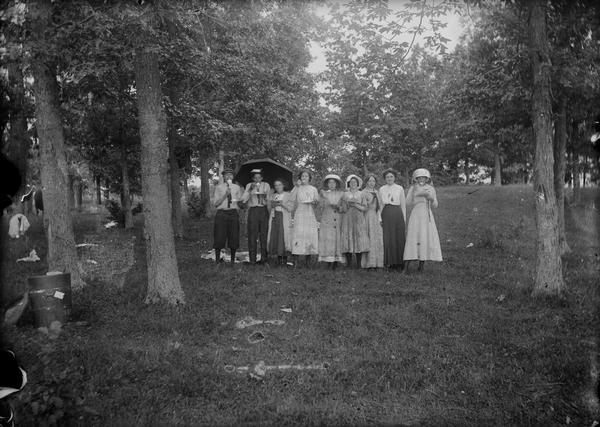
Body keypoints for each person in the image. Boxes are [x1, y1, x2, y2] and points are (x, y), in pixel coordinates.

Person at [404, 168, 442, 272]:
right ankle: (406, 266)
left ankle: (421, 266)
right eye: (419, 177)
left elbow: (435, 205)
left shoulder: (431, 188)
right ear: (416, 178)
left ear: (427, 179)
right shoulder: (413, 188)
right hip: (416, 214)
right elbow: (407, 203)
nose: (421, 179)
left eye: (423, 177)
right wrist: (413, 193)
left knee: (424, 237)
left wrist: (430, 198)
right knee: (413, 237)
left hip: (426, 214)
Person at [378, 169, 406, 271]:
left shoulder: (399, 188)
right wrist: (379, 217)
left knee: (399, 237)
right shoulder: (382, 189)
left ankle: (400, 262)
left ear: (394, 177)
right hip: (386, 213)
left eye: (391, 176)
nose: (389, 178)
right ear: (385, 179)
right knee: (388, 238)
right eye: (387, 177)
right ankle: (390, 262)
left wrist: (404, 219)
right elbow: (380, 204)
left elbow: (403, 205)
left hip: (397, 214)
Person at [212, 168, 242, 264]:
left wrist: (240, 202)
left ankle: (232, 260)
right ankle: (217, 260)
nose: (229, 177)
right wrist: (226, 195)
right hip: (222, 213)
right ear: (223, 177)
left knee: (234, 236)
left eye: (231, 175)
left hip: (233, 213)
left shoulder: (237, 188)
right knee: (219, 235)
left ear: (233, 177)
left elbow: (240, 203)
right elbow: (216, 204)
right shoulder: (219, 187)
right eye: (226, 175)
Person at [290, 170, 319, 266]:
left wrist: (314, 202)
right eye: (302, 176)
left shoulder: (313, 189)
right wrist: (296, 186)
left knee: (309, 235)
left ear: (309, 178)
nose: (304, 178)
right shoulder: (297, 188)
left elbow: (316, 203)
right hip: (300, 213)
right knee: (298, 234)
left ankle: (308, 261)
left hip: (310, 214)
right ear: (300, 178)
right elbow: (291, 198)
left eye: (306, 176)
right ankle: (296, 261)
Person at [241, 169, 271, 264]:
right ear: (253, 178)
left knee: (264, 234)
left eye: (259, 177)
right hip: (253, 210)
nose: (257, 179)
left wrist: (265, 196)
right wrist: (250, 190)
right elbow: (244, 200)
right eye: (255, 177)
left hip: (263, 210)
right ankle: (252, 260)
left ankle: (264, 259)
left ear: (262, 178)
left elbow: (269, 198)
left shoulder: (266, 185)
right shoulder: (249, 185)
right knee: (252, 235)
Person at [340, 174, 369, 268]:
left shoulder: (361, 194)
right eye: (351, 182)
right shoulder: (345, 194)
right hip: (347, 218)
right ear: (349, 184)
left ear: (358, 184)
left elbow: (365, 208)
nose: (353, 183)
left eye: (355, 182)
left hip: (359, 218)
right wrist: (347, 204)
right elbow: (343, 208)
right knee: (348, 237)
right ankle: (348, 263)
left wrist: (356, 204)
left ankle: (359, 264)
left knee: (358, 238)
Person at [318, 174, 345, 269]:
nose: (332, 184)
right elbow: (320, 207)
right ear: (327, 184)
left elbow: (345, 208)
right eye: (330, 182)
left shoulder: (341, 194)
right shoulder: (324, 193)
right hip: (326, 219)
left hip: (337, 218)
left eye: (334, 182)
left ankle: (335, 262)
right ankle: (328, 261)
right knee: (327, 239)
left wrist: (339, 207)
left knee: (336, 239)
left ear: (337, 184)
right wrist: (322, 199)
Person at [267, 179, 293, 266]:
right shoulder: (273, 195)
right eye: (276, 185)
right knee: (275, 236)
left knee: (283, 236)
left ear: (283, 185)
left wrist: (282, 204)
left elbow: (290, 209)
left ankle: (284, 259)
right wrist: (272, 205)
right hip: (275, 217)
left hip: (283, 217)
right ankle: (278, 259)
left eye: (279, 185)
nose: (278, 187)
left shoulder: (288, 195)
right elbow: (270, 208)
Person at [361, 174, 384, 269]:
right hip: (367, 216)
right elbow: (362, 207)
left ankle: (377, 262)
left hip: (375, 216)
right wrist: (369, 202)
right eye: (370, 181)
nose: (371, 183)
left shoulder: (377, 192)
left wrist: (380, 218)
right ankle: (368, 263)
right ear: (366, 182)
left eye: (373, 181)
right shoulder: (363, 192)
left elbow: (380, 206)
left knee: (377, 238)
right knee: (368, 238)